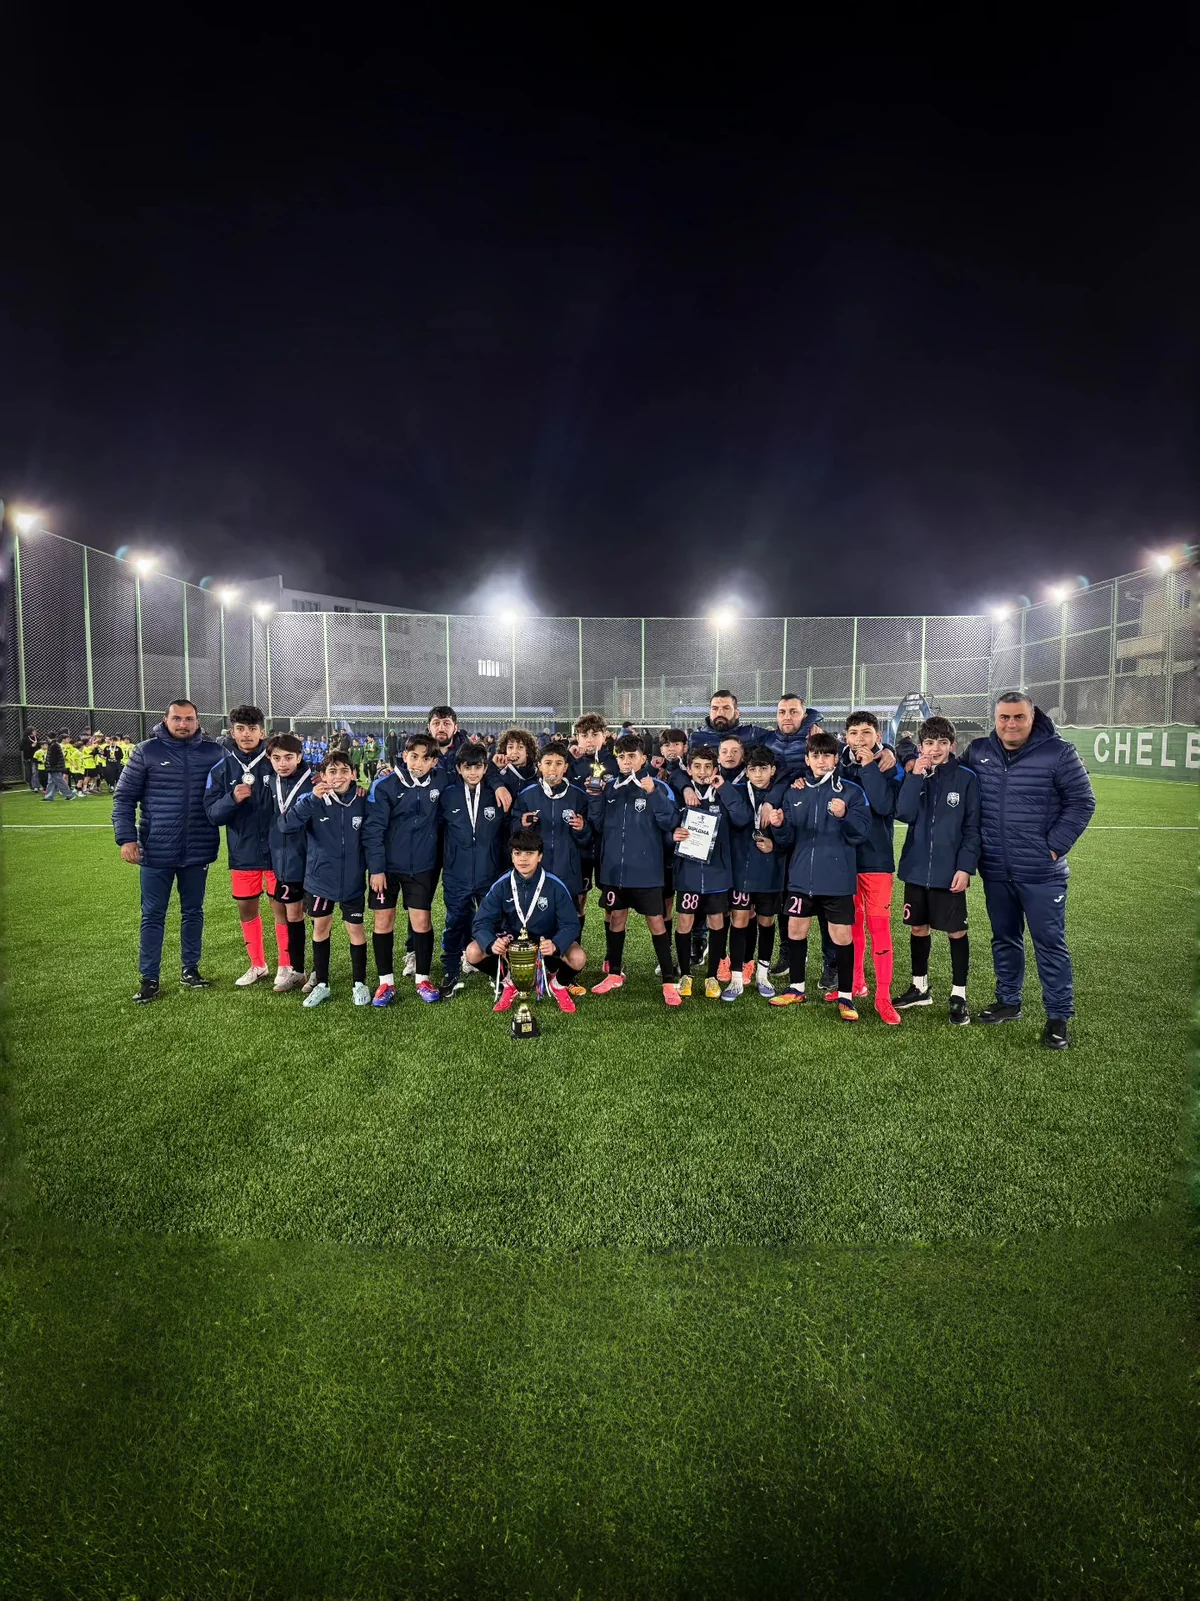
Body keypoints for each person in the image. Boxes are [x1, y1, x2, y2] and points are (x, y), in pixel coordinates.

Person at [965, 692, 1096, 1048]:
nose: (1011, 724)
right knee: (1004, 938)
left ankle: (1058, 1017)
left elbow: (1083, 802)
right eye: (1004, 717)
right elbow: (950, 775)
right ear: (995, 719)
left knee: (1049, 944)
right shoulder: (978, 751)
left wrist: (1053, 847)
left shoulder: (1059, 753)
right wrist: (898, 755)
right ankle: (1009, 1001)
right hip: (995, 869)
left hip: (1041, 873)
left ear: (1032, 717)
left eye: (1018, 717)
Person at [112, 699, 224, 1003]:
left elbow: (238, 780)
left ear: (198, 722)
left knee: (193, 912)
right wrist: (126, 838)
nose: (183, 724)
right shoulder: (146, 751)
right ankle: (149, 978)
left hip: (198, 848)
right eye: (177, 718)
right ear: (166, 720)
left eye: (189, 719)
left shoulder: (214, 753)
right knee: (152, 915)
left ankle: (190, 969)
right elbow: (124, 798)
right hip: (155, 850)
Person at [768, 730, 872, 1019]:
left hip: (837, 879)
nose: (821, 760)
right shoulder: (795, 791)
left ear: (836, 759)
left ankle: (846, 996)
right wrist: (779, 825)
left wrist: (845, 816)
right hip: (801, 878)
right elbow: (787, 841)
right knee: (795, 930)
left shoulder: (851, 792)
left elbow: (861, 833)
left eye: (827, 755)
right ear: (807, 759)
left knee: (841, 935)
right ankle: (796, 988)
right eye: (815, 755)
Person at [893, 716, 980, 1024]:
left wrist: (965, 867)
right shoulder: (916, 775)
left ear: (952, 746)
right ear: (921, 747)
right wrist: (915, 776)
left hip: (949, 872)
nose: (935, 749)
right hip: (916, 869)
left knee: (957, 931)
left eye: (942, 743)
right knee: (918, 928)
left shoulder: (966, 779)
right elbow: (903, 813)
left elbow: (972, 828)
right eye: (929, 743)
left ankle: (959, 995)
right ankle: (920, 987)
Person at [586, 733, 682, 1004]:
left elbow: (670, 822)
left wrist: (653, 793)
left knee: (656, 922)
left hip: (647, 871)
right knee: (616, 918)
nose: (626, 761)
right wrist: (595, 797)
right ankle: (614, 973)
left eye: (632, 756)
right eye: (622, 757)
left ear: (643, 759)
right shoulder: (610, 788)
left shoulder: (658, 787)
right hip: (615, 871)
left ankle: (668, 980)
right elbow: (598, 825)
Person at [279, 751, 371, 1007]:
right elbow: (286, 825)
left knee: (356, 930)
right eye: (332, 772)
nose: (338, 776)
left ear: (353, 774)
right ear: (322, 776)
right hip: (320, 880)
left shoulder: (363, 800)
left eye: (344, 771)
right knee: (321, 928)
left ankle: (359, 983)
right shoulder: (311, 799)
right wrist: (311, 799)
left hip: (352, 880)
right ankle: (322, 984)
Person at [464, 830, 586, 1015]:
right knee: (473, 952)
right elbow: (481, 922)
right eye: (518, 853)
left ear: (540, 856)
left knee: (578, 957)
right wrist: (491, 942)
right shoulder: (501, 885)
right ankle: (509, 982)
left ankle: (558, 984)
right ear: (512, 856)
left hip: (545, 943)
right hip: (512, 944)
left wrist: (555, 944)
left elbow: (571, 924)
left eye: (529, 853)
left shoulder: (555, 885)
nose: (523, 859)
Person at [203, 704, 282, 988]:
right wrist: (232, 799)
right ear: (232, 732)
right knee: (247, 908)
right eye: (240, 729)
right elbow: (212, 814)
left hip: (279, 851)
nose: (246, 734)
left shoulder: (277, 763)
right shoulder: (221, 769)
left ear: (262, 731)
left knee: (281, 907)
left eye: (252, 728)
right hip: (243, 851)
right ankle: (258, 964)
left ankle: (286, 965)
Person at [362, 732, 444, 1004]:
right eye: (413, 756)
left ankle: (423, 979)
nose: (418, 763)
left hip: (421, 866)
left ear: (434, 762)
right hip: (386, 869)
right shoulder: (385, 785)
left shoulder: (441, 780)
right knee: (383, 921)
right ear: (405, 755)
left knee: (422, 922)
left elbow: (471, 772)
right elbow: (373, 830)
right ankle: (385, 982)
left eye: (425, 759)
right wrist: (376, 869)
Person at [837, 710, 905, 1025]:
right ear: (846, 737)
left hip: (877, 861)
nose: (860, 739)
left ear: (878, 736)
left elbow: (884, 806)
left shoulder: (890, 767)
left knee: (879, 929)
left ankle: (883, 997)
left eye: (866, 732)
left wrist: (870, 767)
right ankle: (856, 984)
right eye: (854, 733)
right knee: (852, 927)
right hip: (845, 859)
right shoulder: (839, 766)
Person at [668, 744, 751, 998]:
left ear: (716, 769)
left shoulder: (724, 792)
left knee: (717, 921)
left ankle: (712, 976)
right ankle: (685, 974)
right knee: (685, 921)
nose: (703, 772)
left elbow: (742, 818)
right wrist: (672, 835)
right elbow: (665, 825)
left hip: (717, 873)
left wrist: (723, 788)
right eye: (697, 767)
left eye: (707, 767)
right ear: (689, 770)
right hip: (689, 872)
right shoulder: (680, 794)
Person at [511, 740, 593, 992]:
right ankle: (540, 966)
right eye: (548, 763)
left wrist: (582, 829)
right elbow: (514, 833)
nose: (553, 768)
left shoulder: (578, 796)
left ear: (566, 767)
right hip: (538, 872)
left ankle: (569, 971)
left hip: (569, 871)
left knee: (571, 916)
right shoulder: (527, 795)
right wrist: (522, 825)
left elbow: (589, 838)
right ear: (539, 766)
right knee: (537, 915)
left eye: (558, 763)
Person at [437, 741, 516, 996]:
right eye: (468, 767)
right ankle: (451, 970)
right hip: (456, 874)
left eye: (478, 767)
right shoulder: (448, 795)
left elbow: (507, 831)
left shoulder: (496, 794)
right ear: (459, 769)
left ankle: (499, 971)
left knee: (496, 922)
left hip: (489, 873)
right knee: (455, 922)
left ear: (485, 768)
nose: (473, 772)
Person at [725, 745, 790, 1000]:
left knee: (766, 921)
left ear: (773, 770)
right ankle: (736, 978)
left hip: (771, 871)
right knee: (739, 921)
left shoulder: (782, 796)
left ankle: (763, 975)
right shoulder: (737, 792)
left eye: (763, 769)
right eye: (753, 769)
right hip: (741, 870)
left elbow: (792, 834)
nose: (759, 774)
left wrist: (776, 844)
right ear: (747, 771)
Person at [264, 733, 314, 992]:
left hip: (313, 860)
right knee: (293, 915)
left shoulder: (314, 780)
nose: (282, 763)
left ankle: (319, 972)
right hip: (285, 861)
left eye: (288, 757)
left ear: (299, 757)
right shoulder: (270, 781)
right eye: (276, 758)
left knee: (318, 916)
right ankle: (297, 970)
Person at [686, 690, 768, 756]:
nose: (720, 713)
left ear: (736, 713)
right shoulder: (696, 739)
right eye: (715, 709)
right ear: (709, 712)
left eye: (726, 708)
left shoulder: (753, 735)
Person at [427, 705, 468, 776]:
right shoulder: (419, 753)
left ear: (455, 728)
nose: (441, 729)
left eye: (446, 723)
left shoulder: (468, 753)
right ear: (429, 728)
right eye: (436, 723)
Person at [42, 730, 75, 802]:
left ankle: (70, 795)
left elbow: (53, 758)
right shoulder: (54, 744)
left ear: (48, 737)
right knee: (51, 782)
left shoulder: (54, 745)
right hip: (55, 767)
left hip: (54, 767)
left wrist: (51, 765)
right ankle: (49, 797)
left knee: (60, 781)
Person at [19, 725, 39, 791]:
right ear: (30, 732)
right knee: (29, 772)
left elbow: (39, 747)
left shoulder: (36, 738)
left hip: (34, 758)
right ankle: (31, 786)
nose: (35, 732)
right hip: (27, 757)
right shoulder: (25, 739)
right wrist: (31, 746)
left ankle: (35, 786)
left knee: (34, 772)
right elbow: (21, 748)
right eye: (33, 731)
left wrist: (36, 746)